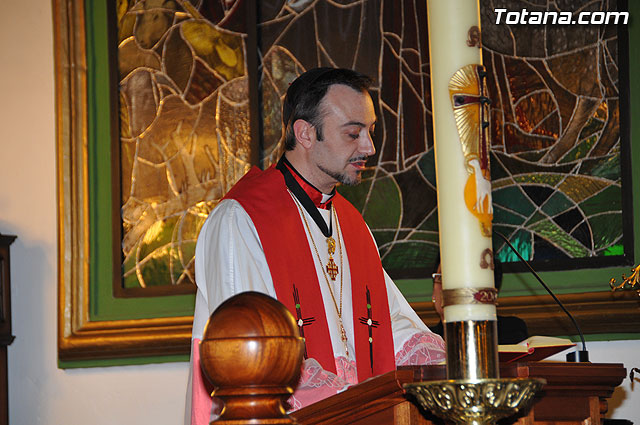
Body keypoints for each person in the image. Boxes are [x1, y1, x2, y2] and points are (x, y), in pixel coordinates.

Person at [186, 68, 445, 425]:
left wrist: (455, 363)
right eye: (354, 133)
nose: (369, 147)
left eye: (371, 131)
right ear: (305, 133)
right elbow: (254, 355)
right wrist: (348, 400)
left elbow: (392, 329)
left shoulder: (352, 224)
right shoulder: (241, 220)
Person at [430, 258, 529, 345]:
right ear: (433, 293)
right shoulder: (425, 341)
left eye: (459, 279)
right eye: (442, 278)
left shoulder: (509, 331)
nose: (448, 287)